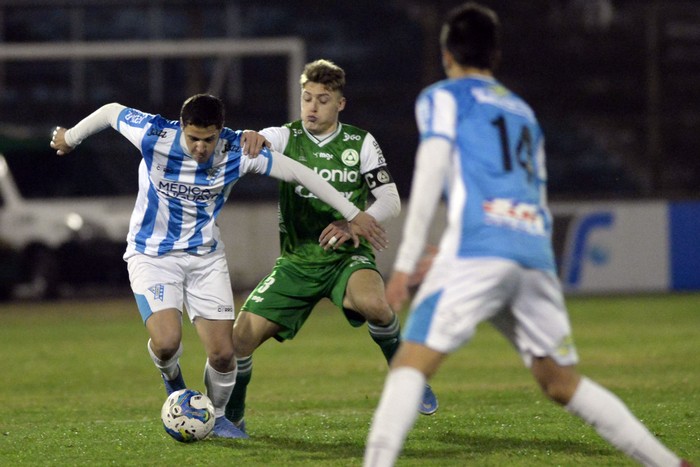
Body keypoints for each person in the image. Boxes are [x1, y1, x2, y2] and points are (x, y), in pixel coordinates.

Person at [363, 3, 693, 467]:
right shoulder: (523, 112)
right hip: (532, 252)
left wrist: (404, 265)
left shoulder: (443, 96)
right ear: (494, 54)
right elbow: (530, 192)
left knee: (411, 363)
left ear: (445, 53)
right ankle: (668, 463)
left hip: (480, 249)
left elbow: (432, 170)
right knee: (560, 380)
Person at [49, 93, 386, 440]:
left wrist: (354, 213)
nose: (200, 147)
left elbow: (300, 173)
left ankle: (218, 417)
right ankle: (172, 380)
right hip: (153, 255)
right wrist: (70, 137)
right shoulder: (154, 134)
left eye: (208, 139)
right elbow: (111, 112)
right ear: (182, 128)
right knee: (166, 343)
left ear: (220, 131)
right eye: (193, 138)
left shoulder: (238, 151)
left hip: (205, 260)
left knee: (224, 354)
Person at [225, 59, 438, 432]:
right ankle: (233, 416)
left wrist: (349, 220)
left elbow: (389, 200)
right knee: (239, 339)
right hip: (296, 261)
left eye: (323, 99)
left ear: (340, 103)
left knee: (375, 304)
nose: (312, 106)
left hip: (346, 257)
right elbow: (263, 137)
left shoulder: (361, 142)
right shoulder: (288, 137)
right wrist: (252, 135)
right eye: (307, 98)